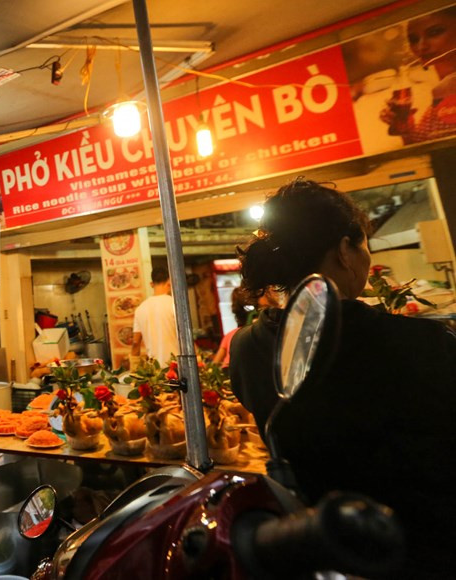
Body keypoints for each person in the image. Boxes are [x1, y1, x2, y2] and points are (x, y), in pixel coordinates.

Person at [229, 177, 456, 578]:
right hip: (420, 552)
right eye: (365, 245)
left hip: (323, 550)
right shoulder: (421, 341)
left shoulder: (246, 348)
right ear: (345, 250)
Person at [380, 7, 456, 144]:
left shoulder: (447, 87)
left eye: (434, 32)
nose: (421, 46)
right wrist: (406, 127)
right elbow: (425, 144)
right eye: (414, 39)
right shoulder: (440, 91)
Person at [130, 266, 179, 368]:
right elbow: (185, 336)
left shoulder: (140, 309)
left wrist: (134, 368)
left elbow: (135, 342)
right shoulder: (175, 304)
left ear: (151, 284)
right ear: (169, 282)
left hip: (155, 369)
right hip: (176, 366)